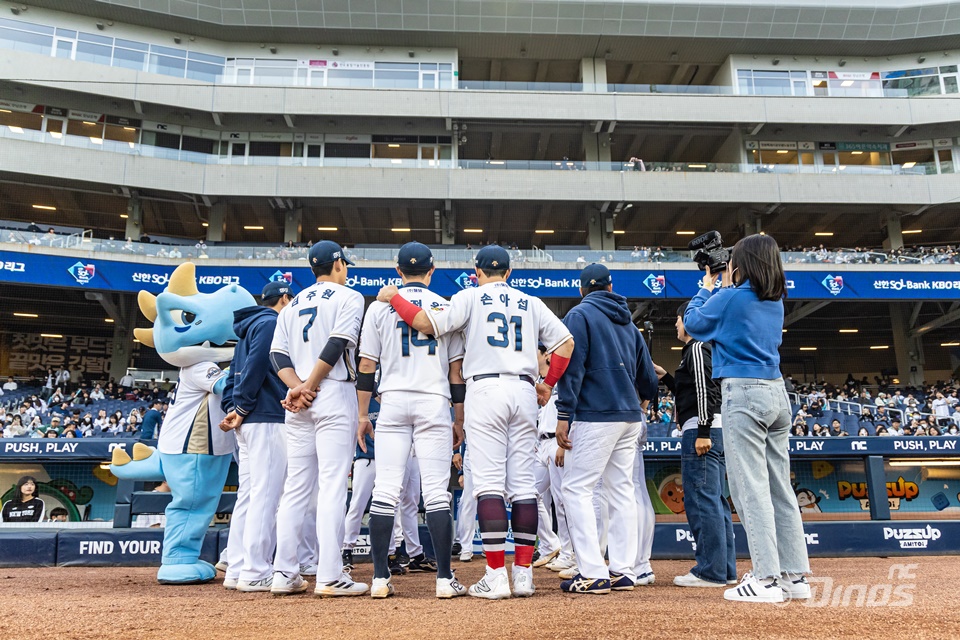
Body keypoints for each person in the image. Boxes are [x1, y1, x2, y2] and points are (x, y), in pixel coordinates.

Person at [378, 244, 574, 599]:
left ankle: (496, 576)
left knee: (488, 485)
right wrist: (547, 384)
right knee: (525, 487)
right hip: (524, 390)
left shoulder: (470, 296)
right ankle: (524, 574)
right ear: (509, 273)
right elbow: (565, 344)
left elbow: (425, 322)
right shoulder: (529, 301)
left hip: (485, 389)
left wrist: (394, 299)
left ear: (478, 273)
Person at [683, 233, 811, 604]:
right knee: (779, 490)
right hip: (776, 393)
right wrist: (726, 282)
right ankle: (793, 577)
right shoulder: (775, 301)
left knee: (749, 488)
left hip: (744, 394)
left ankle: (766, 579)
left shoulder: (729, 297)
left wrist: (706, 287)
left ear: (742, 265)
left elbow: (693, 325)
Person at [356, 243, 466, 599]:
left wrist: (361, 414)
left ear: (398, 271)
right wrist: (458, 419)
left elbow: (367, 367)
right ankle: (445, 579)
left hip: (393, 401)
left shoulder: (378, 307)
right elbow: (456, 373)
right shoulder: (446, 307)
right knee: (436, 491)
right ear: (431, 271)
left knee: (385, 488)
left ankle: (378, 577)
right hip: (434, 400)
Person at [269, 240, 367, 597]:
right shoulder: (349, 297)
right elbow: (338, 342)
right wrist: (310, 386)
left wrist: (297, 389)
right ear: (338, 263)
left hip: (299, 403)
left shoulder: (292, 304)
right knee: (332, 486)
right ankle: (329, 575)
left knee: (295, 488)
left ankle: (284, 572)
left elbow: (277, 355)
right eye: (345, 264)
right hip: (333, 393)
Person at [554, 264, 657, 594]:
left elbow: (573, 370)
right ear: (611, 287)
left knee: (576, 489)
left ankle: (593, 571)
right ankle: (624, 570)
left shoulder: (579, 315)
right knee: (621, 490)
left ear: (582, 289)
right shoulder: (630, 323)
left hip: (596, 414)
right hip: (629, 416)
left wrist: (563, 414)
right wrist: (637, 399)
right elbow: (650, 382)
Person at [220, 281, 295, 592]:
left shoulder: (251, 324)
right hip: (264, 415)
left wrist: (233, 406)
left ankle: (237, 568)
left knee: (251, 495)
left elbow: (233, 372)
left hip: (249, 419)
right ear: (285, 299)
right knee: (266, 495)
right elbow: (256, 366)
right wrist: (241, 405)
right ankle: (255, 570)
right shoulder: (270, 322)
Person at [659, 302, 736, 588]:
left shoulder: (696, 347)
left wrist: (702, 429)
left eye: (678, 321)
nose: (676, 326)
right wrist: (667, 377)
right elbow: (693, 389)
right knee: (715, 502)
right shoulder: (705, 347)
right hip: (713, 430)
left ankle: (710, 571)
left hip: (702, 431)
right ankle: (724, 569)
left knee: (702, 502)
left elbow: (706, 389)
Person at [532, 344, 575, 573]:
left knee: (561, 500)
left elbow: (571, 409)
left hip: (559, 442)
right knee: (528, 493)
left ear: (546, 354)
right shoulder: (538, 380)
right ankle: (551, 543)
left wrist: (563, 443)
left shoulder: (562, 376)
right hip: (541, 442)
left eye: (535, 351)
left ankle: (570, 553)